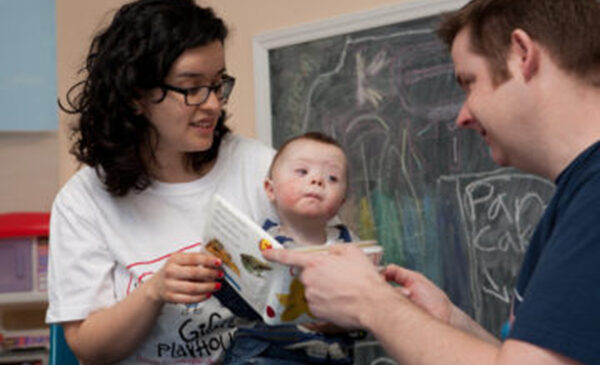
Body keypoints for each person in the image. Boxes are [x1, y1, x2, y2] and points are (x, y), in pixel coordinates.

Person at [263, 0, 600, 364]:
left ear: (522, 55)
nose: (462, 116)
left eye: (469, 83)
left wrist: (371, 301)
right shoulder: (580, 191)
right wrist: (450, 322)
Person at [44, 0, 276, 363]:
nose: (213, 103)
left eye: (218, 85)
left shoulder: (259, 167)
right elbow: (89, 349)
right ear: (137, 96)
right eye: (192, 88)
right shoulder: (83, 201)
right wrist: (154, 291)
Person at [223, 132, 358, 364]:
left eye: (332, 178)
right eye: (302, 172)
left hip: (331, 354)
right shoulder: (260, 243)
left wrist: (347, 320)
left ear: (342, 201)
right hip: (265, 352)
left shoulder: (350, 247)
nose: (317, 181)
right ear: (270, 189)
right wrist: (220, 274)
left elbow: (368, 309)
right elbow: (242, 306)